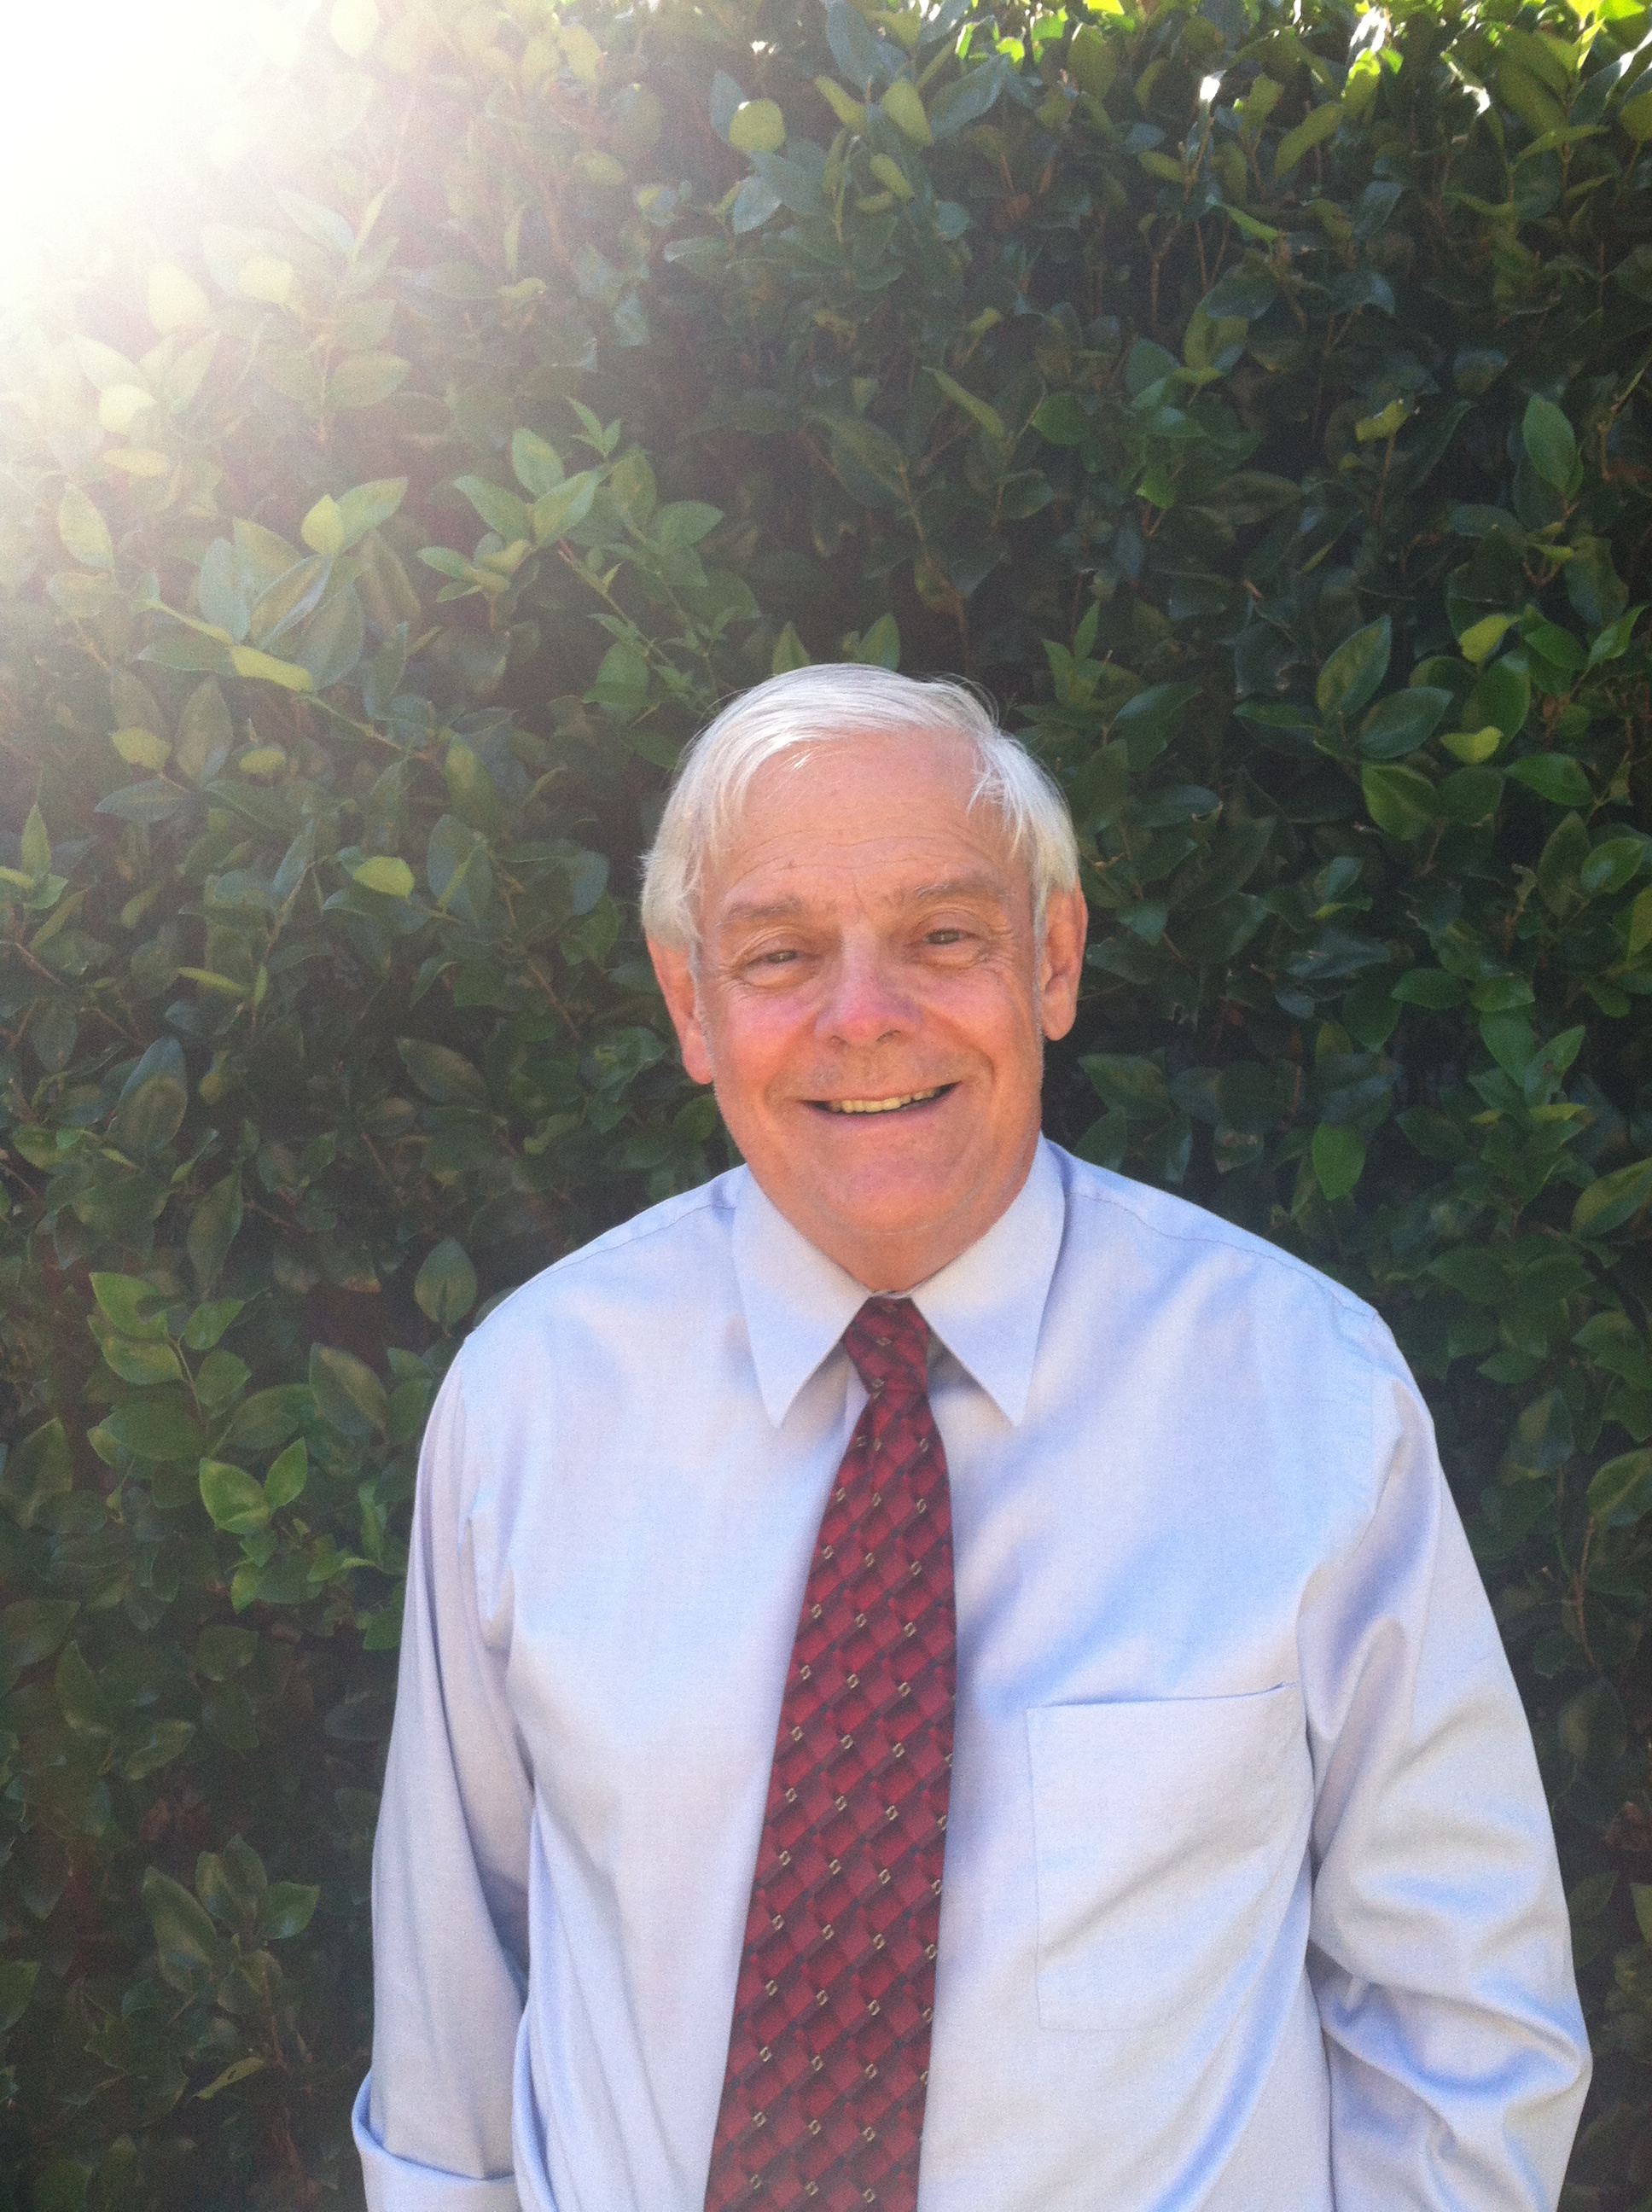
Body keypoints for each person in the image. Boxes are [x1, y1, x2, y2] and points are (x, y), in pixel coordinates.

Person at [353, 663, 1590, 2212]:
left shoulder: (1305, 1394)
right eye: (781, 954)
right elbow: (453, 2003)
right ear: (690, 1005)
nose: (865, 1018)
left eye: (943, 936)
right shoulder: (530, 1401)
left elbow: (1463, 2018)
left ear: (1052, 960)